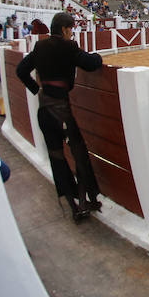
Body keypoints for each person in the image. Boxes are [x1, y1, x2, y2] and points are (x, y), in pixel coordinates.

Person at [16, 12, 104, 223]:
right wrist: (99, 56)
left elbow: (21, 70)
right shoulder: (69, 47)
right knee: (79, 153)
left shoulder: (40, 47)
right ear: (65, 29)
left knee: (57, 158)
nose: (71, 33)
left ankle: (73, 206)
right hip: (61, 111)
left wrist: (36, 89)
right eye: (71, 29)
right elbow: (92, 63)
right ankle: (86, 201)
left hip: (44, 111)